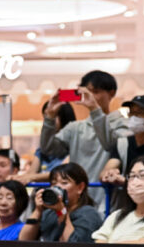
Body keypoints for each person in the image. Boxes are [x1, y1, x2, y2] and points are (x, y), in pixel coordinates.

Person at [39, 70, 128, 207]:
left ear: (111, 93)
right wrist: (50, 117)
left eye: (96, 92)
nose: (91, 97)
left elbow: (110, 145)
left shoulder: (122, 125)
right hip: (77, 201)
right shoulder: (75, 127)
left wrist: (95, 109)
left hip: (108, 200)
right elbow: (48, 149)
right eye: (88, 92)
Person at [19, 162, 102, 243]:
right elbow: (24, 240)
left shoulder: (89, 214)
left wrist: (61, 212)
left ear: (80, 187)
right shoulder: (49, 213)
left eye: (64, 183)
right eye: (54, 183)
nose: (57, 187)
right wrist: (38, 210)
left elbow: (74, 246)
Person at [93, 155, 144, 244]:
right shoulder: (116, 215)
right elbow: (99, 242)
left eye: (143, 175)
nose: (135, 181)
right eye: (132, 176)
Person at [100, 95, 144, 187]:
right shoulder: (122, 144)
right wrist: (111, 174)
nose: (134, 117)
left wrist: (126, 182)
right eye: (132, 112)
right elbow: (104, 173)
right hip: (126, 196)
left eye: (140, 112)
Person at [17, 102, 75, 184]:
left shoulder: (73, 148)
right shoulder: (41, 151)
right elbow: (30, 173)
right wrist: (17, 178)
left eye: (52, 116)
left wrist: (32, 177)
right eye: (45, 117)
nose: (47, 122)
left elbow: (61, 173)